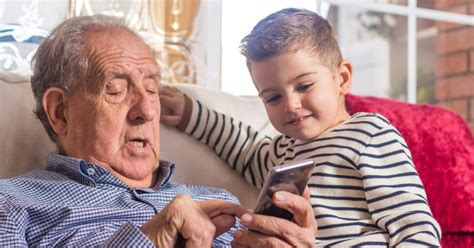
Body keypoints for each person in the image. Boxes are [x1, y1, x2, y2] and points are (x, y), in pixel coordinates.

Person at [0, 14, 313, 247]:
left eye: (151, 89)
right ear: (60, 111)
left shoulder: (220, 203)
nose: (147, 112)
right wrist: (148, 240)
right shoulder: (11, 203)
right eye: (116, 90)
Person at [160, 8, 441, 247]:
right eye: (273, 97)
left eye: (304, 86)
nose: (291, 105)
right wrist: (191, 114)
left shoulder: (370, 133)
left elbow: (415, 228)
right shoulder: (283, 151)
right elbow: (243, 147)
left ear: (342, 78)